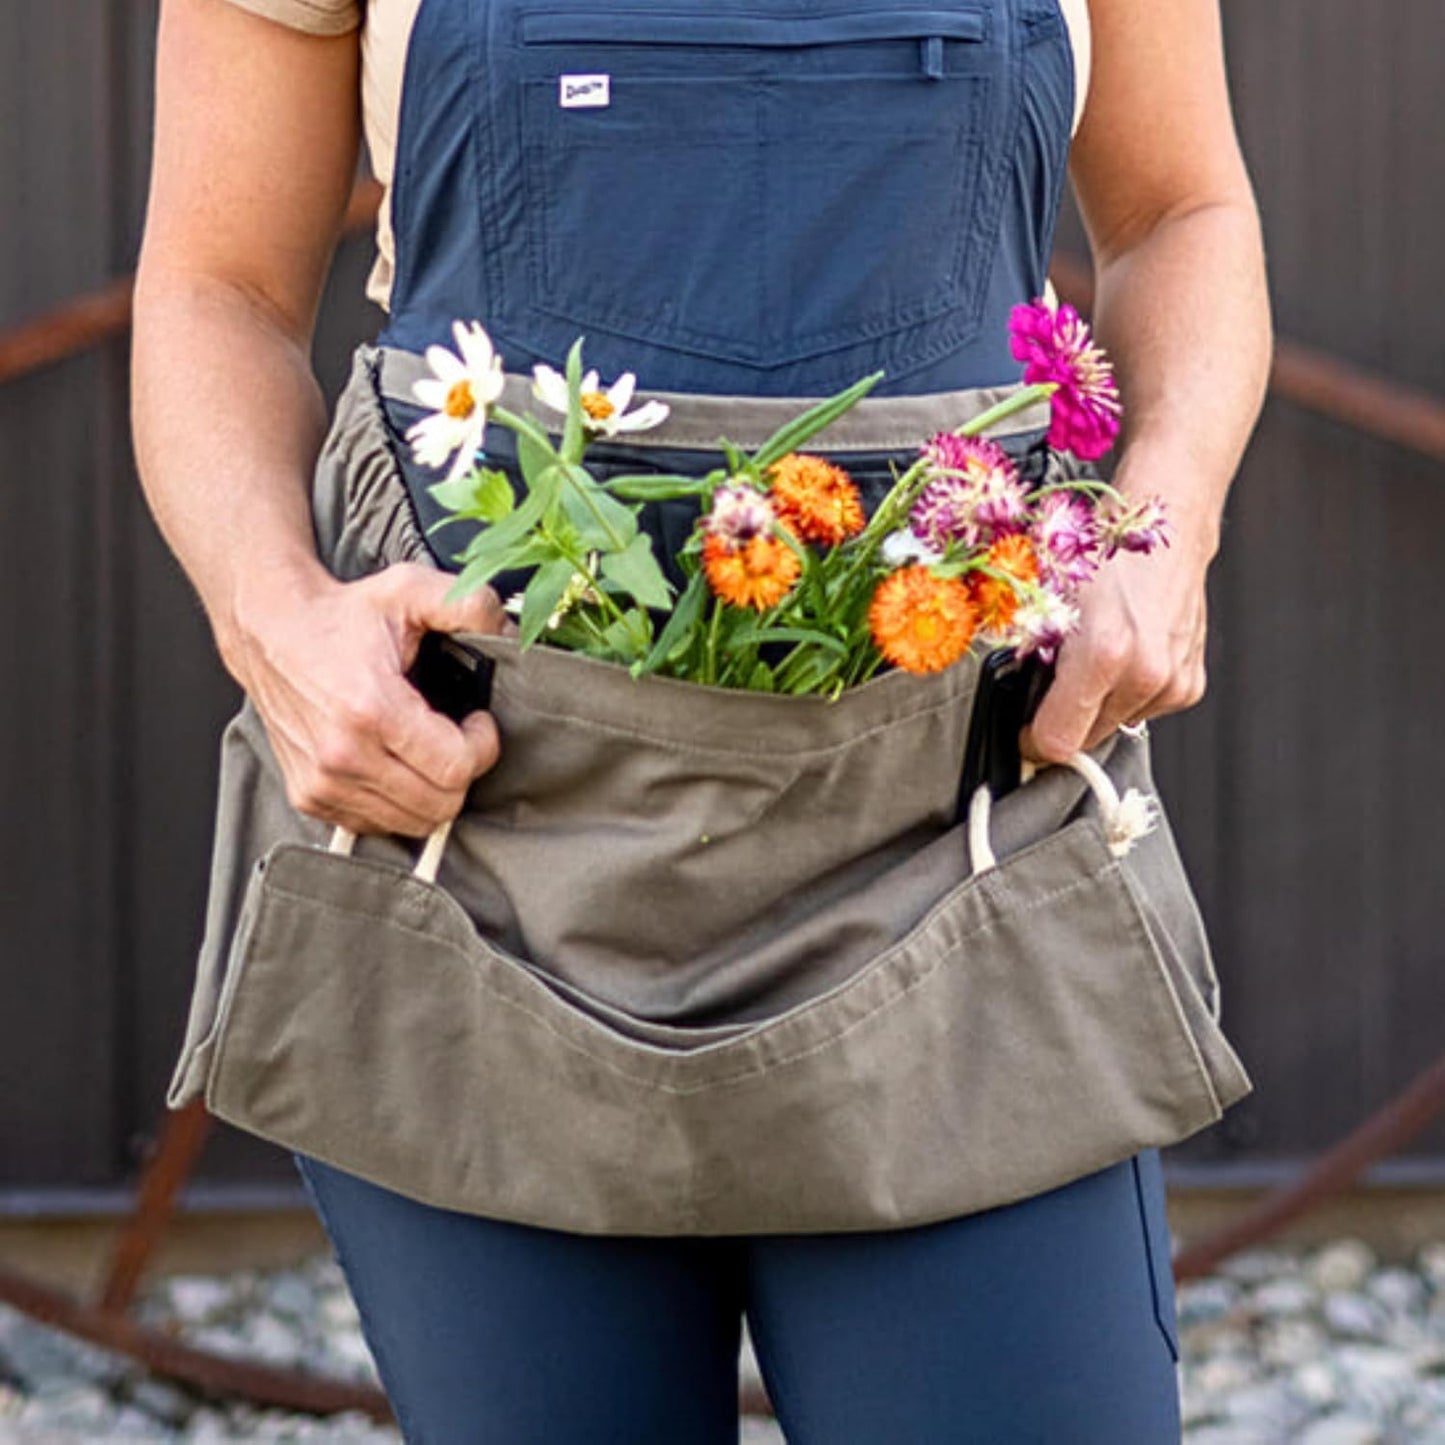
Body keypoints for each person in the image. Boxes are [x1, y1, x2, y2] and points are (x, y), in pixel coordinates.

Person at [132, 0, 1270, 1438]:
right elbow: (215, 284)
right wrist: (272, 614)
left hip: (961, 831)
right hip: (487, 857)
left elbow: (1182, 210)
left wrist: (1165, 518)